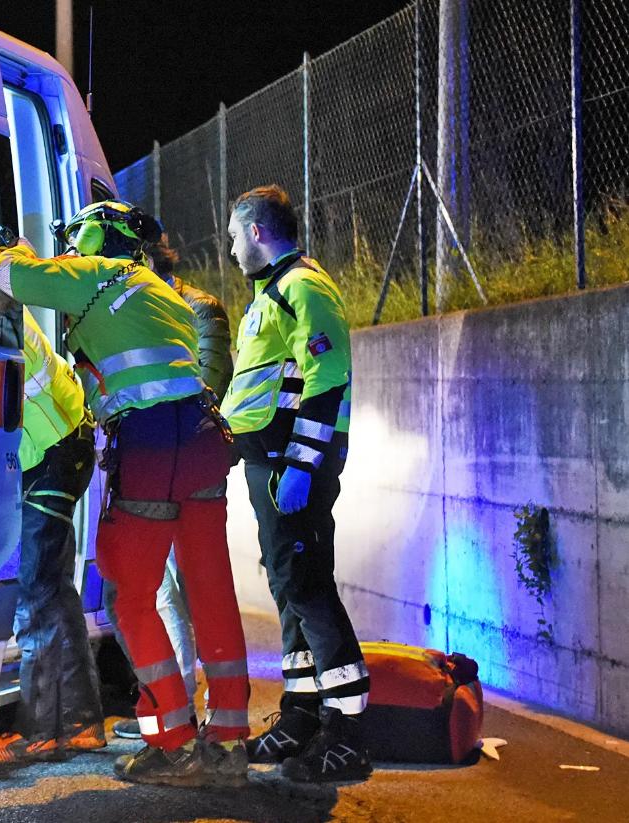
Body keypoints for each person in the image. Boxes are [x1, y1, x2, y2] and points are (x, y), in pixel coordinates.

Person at [0, 200, 250, 787]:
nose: (73, 244)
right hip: (204, 442)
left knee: (128, 595)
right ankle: (230, 741)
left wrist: (10, 247)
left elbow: (8, 277)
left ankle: (175, 742)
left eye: (78, 233)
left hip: (152, 446)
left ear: (99, 233)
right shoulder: (161, 291)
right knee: (209, 589)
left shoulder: (95, 273)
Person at [225, 184, 372, 783]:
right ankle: (301, 716)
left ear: (257, 232)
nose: (232, 250)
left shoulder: (301, 287)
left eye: (235, 237)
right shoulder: (272, 293)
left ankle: (348, 737)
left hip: (292, 466)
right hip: (272, 463)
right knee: (289, 587)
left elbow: (328, 373)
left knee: (308, 587)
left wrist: (302, 466)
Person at [106, 232, 234, 741]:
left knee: (181, 589)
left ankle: (185, 710)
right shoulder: (135, 309)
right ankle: (174, 707)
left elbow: (206, 385)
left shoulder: (197, 308)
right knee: (157, 590)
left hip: (185, 461)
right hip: (154, 458)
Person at [0, 291, 106, 763]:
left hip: (51, 456)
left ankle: (40, 730)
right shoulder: (6, 307)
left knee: (33, 598)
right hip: (61, 452)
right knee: (55, 593)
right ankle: (81, 723)